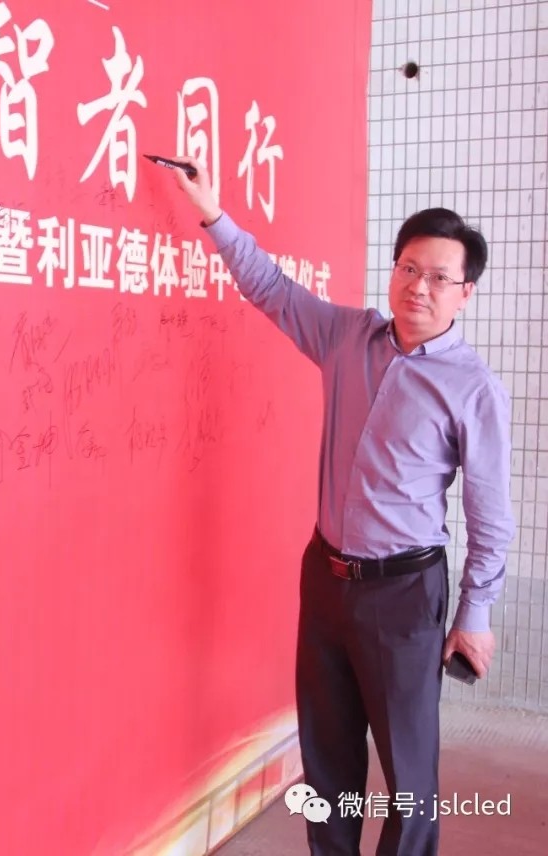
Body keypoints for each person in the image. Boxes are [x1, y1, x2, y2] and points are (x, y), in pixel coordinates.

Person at [166, 155, 515, 855]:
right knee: (326, 762)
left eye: (438, 277)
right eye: (409, 268)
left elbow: (490, 514)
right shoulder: (348, 337)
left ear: (465, 293)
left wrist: (474, 612)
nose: (418, 287)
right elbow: (272, 289)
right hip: (325, 578)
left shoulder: (473, 389)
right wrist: (213, 214)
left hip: (403, 595)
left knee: (409, 775)